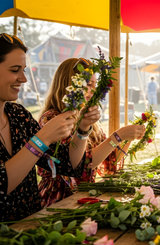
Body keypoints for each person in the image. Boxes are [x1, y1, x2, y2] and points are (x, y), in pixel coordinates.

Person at [0, 33, 96, 221]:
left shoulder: (19, 115)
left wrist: (83, 129)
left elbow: (67, 165)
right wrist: (41, 140)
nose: (24, 79)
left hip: (29, 229)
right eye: (15, 70)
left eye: (24, 70)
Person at [37, 58, 145, 207]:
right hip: (58, 199)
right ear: (70, 86)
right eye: (88, 85)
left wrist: (128, 138)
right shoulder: (52, 119)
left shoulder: (88, 120)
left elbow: (110, 158)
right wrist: (118, 136)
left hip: (84, 195)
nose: (93, 90)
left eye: (95, 85)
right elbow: (85, 163)